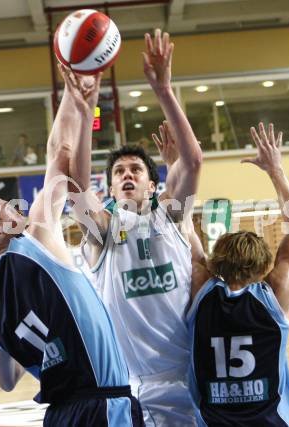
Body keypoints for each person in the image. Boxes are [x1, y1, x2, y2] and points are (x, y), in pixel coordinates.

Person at [0, 66, 144, 427]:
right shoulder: (36, 239)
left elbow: (6, 381)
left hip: (61, 415)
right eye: (4, 207)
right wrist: (75, 95)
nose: (14, 208)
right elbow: (60, 154)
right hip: (103, 405)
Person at [69, 29, 202, 426]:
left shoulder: (173, 216)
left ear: (152, 183)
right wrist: (86, 108)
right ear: (109, 187)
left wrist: (163, 89)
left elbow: (193, 161)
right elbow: (75, 185)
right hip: (131, 384)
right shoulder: (104, 230)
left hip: (190, 375)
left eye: (136, 169)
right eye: (119, 171)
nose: (127, 174)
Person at [187, 122, 289, 427]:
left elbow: (182, 222)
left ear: (216, 258)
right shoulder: (274, 294)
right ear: (264, 263)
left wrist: (183, 166)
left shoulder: (201, 288)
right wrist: (275, 171)